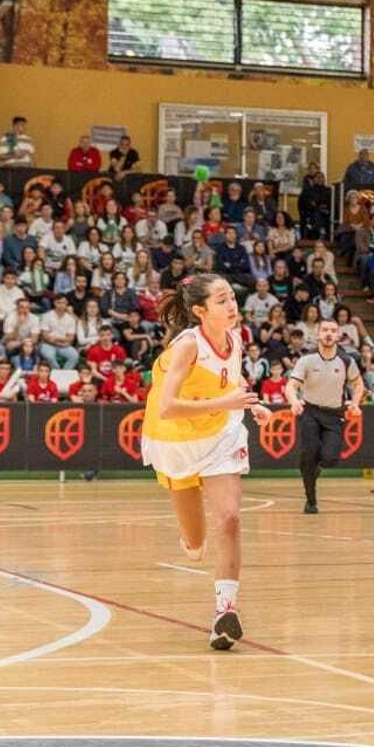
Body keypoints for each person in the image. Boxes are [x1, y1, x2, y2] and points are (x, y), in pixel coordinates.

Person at [140, 273, 274, 649]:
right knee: (196, 545)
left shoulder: (236, 337)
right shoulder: (187, 346)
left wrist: (251, 403)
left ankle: (224, 612)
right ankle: (189, 537)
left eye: (232, 297)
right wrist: (228, 402)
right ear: (200, 311)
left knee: (230, 518)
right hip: (175, 438)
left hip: (220, 434)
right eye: (222, 300)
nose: (232, 305)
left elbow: (231, 380)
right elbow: (167, 407)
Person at [284, 318, 366, 514]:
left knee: (330, 458)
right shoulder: (306, 360)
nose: (329, 334)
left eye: (333, 330)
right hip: (310, 412)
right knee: (308, 455)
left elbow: (358, 384)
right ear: (318, 334)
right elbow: (291, 385)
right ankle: (310, 500)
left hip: (334, 414)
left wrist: (355, 403)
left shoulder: (347, 361)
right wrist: (294, 401)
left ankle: (317, 467)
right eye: (325, 330)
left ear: (338, 335)